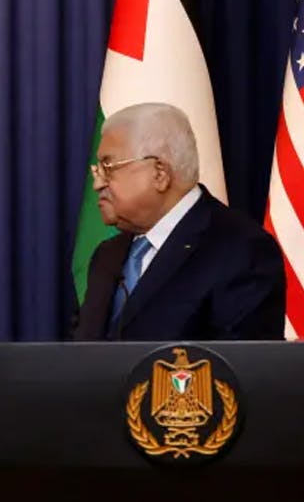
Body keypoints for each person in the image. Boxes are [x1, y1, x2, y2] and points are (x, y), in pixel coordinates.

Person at [73, 102, 285, 341]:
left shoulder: (241, 250)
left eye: (108, 167)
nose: (97, 184)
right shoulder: (107, 256)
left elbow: (243, 370)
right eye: (97, 170)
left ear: (160, 174)